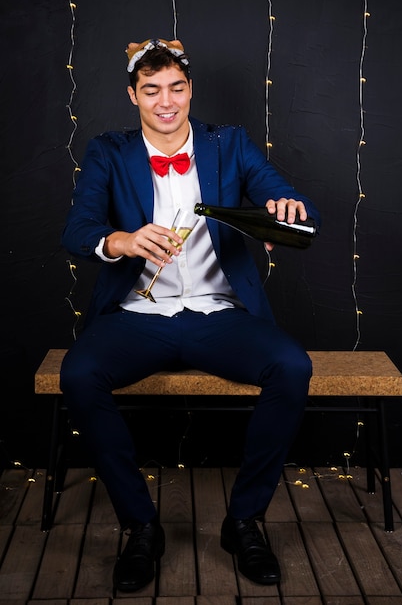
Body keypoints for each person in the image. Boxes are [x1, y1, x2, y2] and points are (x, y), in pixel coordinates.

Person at [60, 37, 321, 592]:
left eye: (176, 88)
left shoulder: (228, 143)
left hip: (218, 315)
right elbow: (77, 232)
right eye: (151, 90)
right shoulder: (108, 150)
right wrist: (123, 240)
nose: (166, 101)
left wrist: (285, 212)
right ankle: (140, 526)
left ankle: (244, 520)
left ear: (189, 89)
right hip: (137, 316)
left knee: (292, 367)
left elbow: (289, 202)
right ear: (133, 95)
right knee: (79, 374)